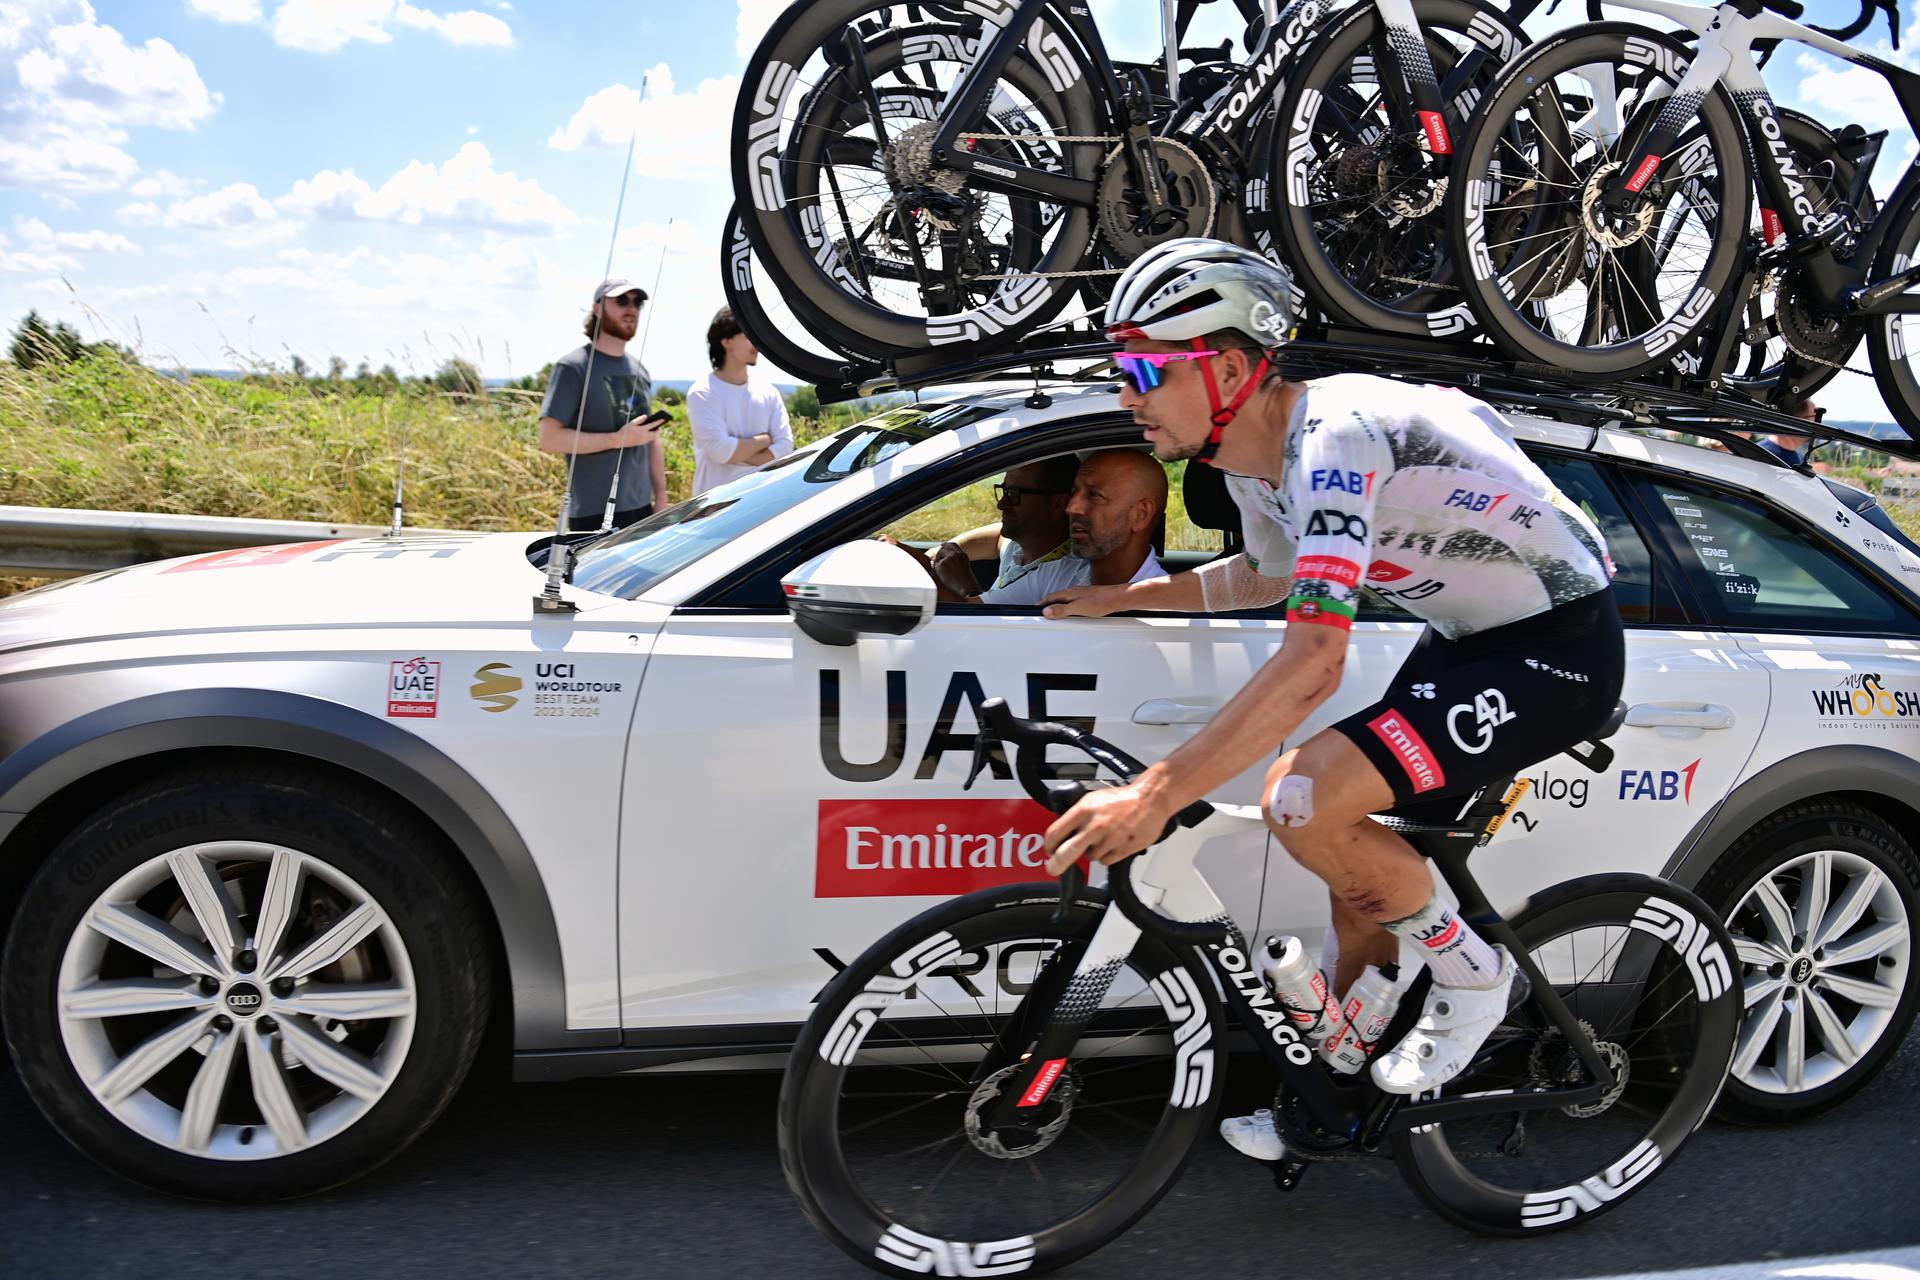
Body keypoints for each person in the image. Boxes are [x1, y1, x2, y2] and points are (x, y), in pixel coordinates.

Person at [1035, 238, 1624, 1159]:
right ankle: (1335, 1086)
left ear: (1228, 367)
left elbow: (1312, 659)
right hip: (1473, 639)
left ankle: (1475, 976)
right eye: (1123, 371)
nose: (1127, 394)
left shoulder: (1334, 439)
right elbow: (1264, 580)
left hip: (1559, 647)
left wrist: (1157, 795)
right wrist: (1127, 595)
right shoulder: (1249, 463)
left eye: (1146, 368)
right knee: (1360, 875)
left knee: (1302, 796)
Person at [537, 278, 669, 531]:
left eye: (637, 302)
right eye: (621, 301)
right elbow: (549, 439)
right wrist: (618, 439)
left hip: (642, 509)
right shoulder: (573, 367)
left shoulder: (640, 370)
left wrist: (661, 497)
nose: (631, 308)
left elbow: (652, 439)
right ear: (597, 308)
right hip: (592, 514)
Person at [687, 306, 793, 494]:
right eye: (747, 335)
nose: (756, 342)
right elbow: (720, 451)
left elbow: (785, 447)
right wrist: (764, 440)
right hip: (716, 505)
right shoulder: (702, 393)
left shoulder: (769, 392)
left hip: (762, 498)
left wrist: (735, 453)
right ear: (726, 341)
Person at [1757, 396, 1820, 466]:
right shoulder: (1762, 455)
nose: (1817, 423)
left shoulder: (1801, 459)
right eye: (1814, 416)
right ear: (1797, 421)